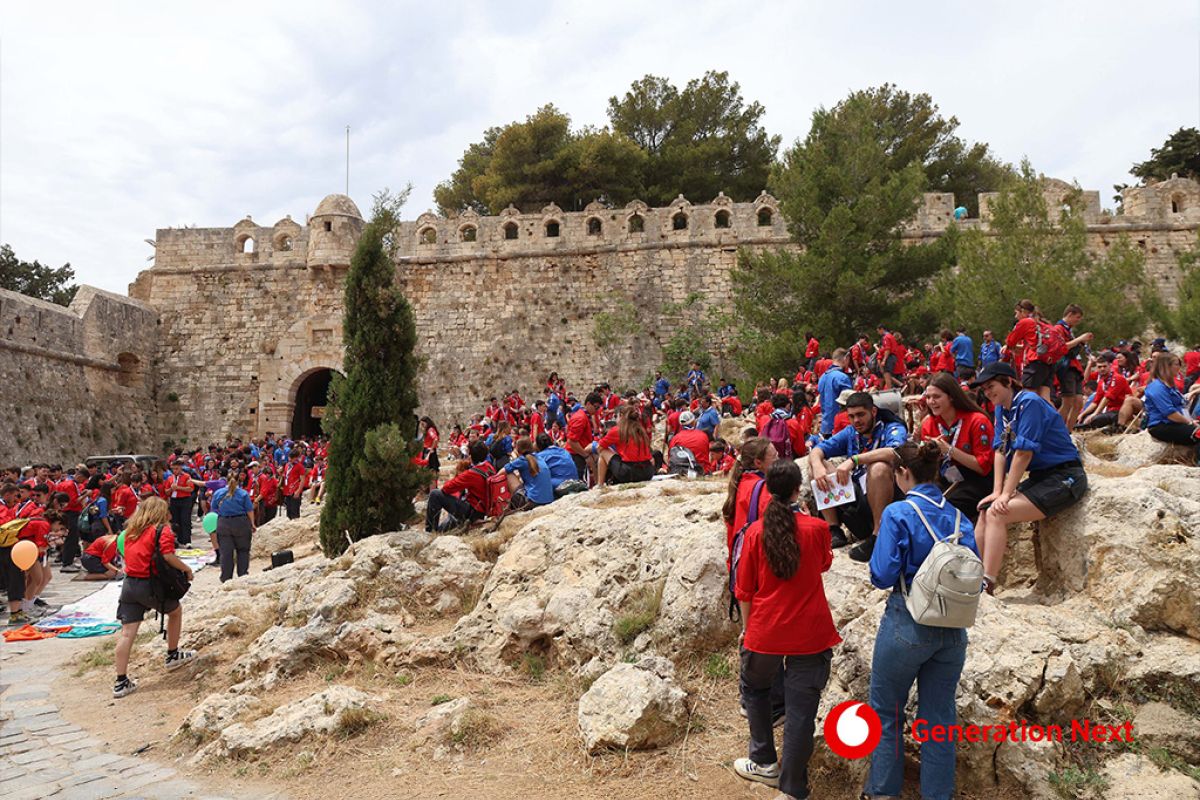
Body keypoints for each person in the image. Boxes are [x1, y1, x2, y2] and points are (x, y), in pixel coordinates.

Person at [864, 440, 978, 800]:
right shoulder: (962, 518)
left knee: (885, 714)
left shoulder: (898, 513)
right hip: (953, 628)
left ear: (902, 473)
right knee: (939, 721)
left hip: (908, 621)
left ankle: (883, 793)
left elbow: (881, 575)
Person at [732, 459, 838, 799]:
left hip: (765, 631)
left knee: (756, 688)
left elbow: (744, 590)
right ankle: (793, 787)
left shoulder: (754, 533)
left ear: (767, 489)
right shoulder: (817, 529)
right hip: (811, 632)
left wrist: (748, 633)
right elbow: (823, 564)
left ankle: (763, 760)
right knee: (800, 713)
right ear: (798, 489)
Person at [971, 362, 1087, 594]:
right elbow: (1000, 450)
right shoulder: (1001, 408)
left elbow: (1024, 452)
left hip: (1065, 476)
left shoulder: (1029, 402)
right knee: (986, 508)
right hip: (1042, 476)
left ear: (1008, 381)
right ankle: (973, 575)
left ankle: (987, 583)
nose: (988, 392)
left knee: (997, 513)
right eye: (984, 389)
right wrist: (997, 490)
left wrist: (1005, 494)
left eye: (991, 386)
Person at [113, 496, 196, 698]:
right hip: (148, 584)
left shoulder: (131, 531)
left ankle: (121, 681)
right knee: (175, 611)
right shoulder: (162, 530)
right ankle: (173, 654)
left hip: (129, 584)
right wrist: (186, 569)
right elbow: (168, 555)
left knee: (127, 633)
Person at [810, 393, 909, 561]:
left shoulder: (892, 428)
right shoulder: (850, 433)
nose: (856, 420)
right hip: (858, 497)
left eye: (861, 414)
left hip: (886, 498)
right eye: (851, 416)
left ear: (874, 412)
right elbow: (817, 450)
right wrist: (818, 466)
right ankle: (834, 529)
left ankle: (879, 536)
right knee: (817, 465)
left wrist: (854, 460)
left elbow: (894, 452)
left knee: (878, 467)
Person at [918, 373, 995, 523]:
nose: (931, 402)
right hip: (946, 476)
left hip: (977, 479)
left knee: (945, 509)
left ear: (951, 396)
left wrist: (949, 450)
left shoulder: (977, 421)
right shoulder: (929, 424)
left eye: (936, 397)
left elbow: (983, 467)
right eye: (928, 397)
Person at [425, 441, 495, 532]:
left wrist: (461, 473)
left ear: (470, 455)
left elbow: (446, 488)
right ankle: (438, 530)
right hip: (484, 510)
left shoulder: (471, 474)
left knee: (435, 494)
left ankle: (430, 531)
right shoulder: (489, 467)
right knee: (447, 523)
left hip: (473, 512)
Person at [1143, 353, 1200, 462]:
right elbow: (1170, 414)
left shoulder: (1169, 385)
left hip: (1175, 422)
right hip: (1162, 425)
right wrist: (1189, 422)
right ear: (1166, 366)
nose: (1179, 367)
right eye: (1176, 364)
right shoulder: (1157, 387)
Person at [210, 468, 256, 582]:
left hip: (224, 523)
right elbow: (249, 510)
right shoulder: (243, 493)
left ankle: (226, 578)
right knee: (243, 550)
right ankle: (242, 575)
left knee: (226, 552)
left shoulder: (218, 493)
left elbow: (214, 508)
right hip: (241, 523)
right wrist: (253, 524)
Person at [593, 405, 655, 486]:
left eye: (616, 416)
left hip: (630, 473)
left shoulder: (617, 429)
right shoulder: (640, 429)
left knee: (603, 452)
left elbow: (599, 448)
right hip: (648, 472)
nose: (615, 419)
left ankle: (600, 484)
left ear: (621, 416)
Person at [1005, 299, 1054, 401]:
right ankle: (1055, 417)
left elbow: (1010, 341)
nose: (1016, 316)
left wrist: (1010, 346)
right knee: (1045, 399)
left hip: (1034, 363)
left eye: (1016, 313)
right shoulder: (1041, 323)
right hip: (1047, 363)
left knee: (1028, 396)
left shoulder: (1025, 322)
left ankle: (1029, 417)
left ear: (1023, 311)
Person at [1054, 304, 1094, 429]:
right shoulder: (1058, 328)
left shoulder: (1068, 330)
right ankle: (1055, 431)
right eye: (1077, 317)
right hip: (1067, 369)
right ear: (1070, 314)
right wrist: (1079, 339)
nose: (1078, 321)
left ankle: (1068, 432)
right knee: (1067, 402)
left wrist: (1081, 342)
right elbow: (1062, 347)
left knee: (1078, 403)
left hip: (1075, 369)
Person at [503, 437, 555, 508]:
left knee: (509, 474)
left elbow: (503, 471)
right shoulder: (539, 457)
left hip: (533, 502)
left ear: (518, 449)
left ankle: (513, 504)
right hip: (548, 499)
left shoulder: (522, 460)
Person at [565, 392, 602, 483]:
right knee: (581, 481)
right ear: (588, 404)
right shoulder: (581, 418)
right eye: (596, 407)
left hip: (581, 452)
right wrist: (585, 456)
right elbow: (572, 441)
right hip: (577, 455)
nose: (596, 410)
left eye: (598, 408)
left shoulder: (584, 415)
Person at [816, 349, 853, 438]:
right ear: (846, 358)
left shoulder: (822, 377)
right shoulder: (842, 377)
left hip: (825, 426)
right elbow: (850, 401)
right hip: (841, 426)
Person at [163, 460, 196, 547]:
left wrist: (178, 488)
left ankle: (187, 541)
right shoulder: (170, 478)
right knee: (175, 521)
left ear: (181, 468)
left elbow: (190, 489)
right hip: (174, 500)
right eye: (173, 469)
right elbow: (166, 492)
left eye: (176, 469)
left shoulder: (186, 476)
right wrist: (171, 489)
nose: (175, 471)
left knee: (185, 520)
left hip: (185, 500)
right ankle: (177, 540)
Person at [281, 450, 307, 520]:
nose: (290, 459)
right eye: (289, 458)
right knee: (288, 511)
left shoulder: (300, 466)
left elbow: (302, 480)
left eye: (292, 458)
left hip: (295, 490)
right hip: (287, 491)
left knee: (294, 512)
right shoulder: (287, 465)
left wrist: (298, 491)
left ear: (296, 458)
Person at [418, 417, 441, 491]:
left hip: (429, 452)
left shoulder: (430, 430)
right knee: (429, 471)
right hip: (428, 451)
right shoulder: (429, 430)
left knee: (431, 471)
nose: (422, 425)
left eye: (423, 423)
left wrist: (431, 449)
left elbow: (435, 439)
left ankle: (432, 491)